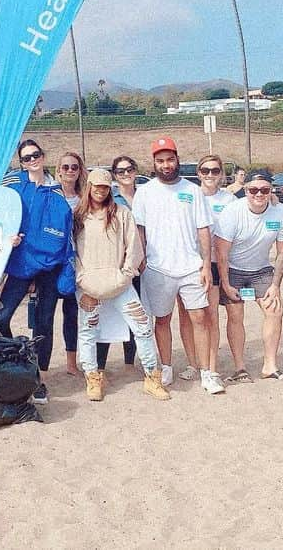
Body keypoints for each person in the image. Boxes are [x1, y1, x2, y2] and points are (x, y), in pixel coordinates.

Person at [0, 140, 74, 405]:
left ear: (43, 156)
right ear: (21, 162)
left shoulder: (57, 195)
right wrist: (4, 241)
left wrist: (49, 267)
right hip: (19, 266)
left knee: (43, 324)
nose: (32, 160)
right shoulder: (12, 183)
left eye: (36, 155)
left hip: (47, 268)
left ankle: (38, 380)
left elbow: (61, 235)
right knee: (1, 319)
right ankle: (18, 363)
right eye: (26, 158)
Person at [134, 138, 224, 394]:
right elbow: (140, 230)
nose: (166, 165)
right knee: (162, 320)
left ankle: (207, 373)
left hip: (191, 267)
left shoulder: (192, 190)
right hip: (158, 269)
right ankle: (166, 367)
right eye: (160, 160)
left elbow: (203, 230)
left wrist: (206, 265)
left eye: (170, 159)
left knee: (200, 317)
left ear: (177, 159)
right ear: (154, 163)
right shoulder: (146, 192)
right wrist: (142, 261)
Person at [73, 169, 169, 401]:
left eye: (105, 187)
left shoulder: (122, 214)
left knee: (143, 327)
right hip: (89, 286)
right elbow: (71, 251)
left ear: (110, 189)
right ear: (89, 187)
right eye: (96, 186)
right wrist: (82, 279)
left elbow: (134, 248)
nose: (100, 190)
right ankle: (93, 378)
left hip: (120, 284)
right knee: (88, 331)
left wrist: (125, 276)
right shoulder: (77, 216)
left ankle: (151, 377)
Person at [214, 170, 283, 382]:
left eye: (264, 190)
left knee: (275, 310)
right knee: (235, 315)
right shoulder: (232, 212)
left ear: (271, 191)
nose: (259, 194)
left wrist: (275, 285)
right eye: (253, 190)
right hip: (233, 269)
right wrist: (226, 283)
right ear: (246, 190)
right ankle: (240, 367)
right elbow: (221, 253)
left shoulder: (281, 213)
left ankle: (270, 365)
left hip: (261, 269)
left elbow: (282, 252)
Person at [177, 154, 236, 382]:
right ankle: (193, 363)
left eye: (215, 170)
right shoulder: (189, 195)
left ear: (221, 173)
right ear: (198, 173)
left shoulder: (229, 200)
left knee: (210, 316)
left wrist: (272, 199)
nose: (210, 175)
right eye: (205, 170)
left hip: (214, 262)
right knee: (187, 317)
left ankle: (210, 367)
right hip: (189, 261)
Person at [97, 153, 142, 372]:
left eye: (129, 169)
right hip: (116, 263)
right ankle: (100, 366)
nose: (125, 174)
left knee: (136, 311)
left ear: (135, 170)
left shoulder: (145, 195)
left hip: (142, 263)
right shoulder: (110, 199)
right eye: (120, 171)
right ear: (114, 175)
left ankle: (129, 362)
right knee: (107, 314)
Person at [55, 151, 85, 375]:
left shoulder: (85, 198)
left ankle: (71, 362)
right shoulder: (50, 196)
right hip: (52, 261)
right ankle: (39, 363)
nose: (70, 171)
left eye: (74, 167)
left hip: (77, 261)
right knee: (42, 315)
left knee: (72, 313)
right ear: (58, 170)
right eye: (65, 167)